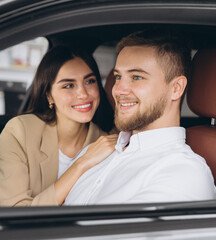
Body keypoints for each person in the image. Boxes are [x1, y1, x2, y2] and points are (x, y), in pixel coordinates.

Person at [64, 30, 216, 205]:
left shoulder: (183, 173)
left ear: (176, 88)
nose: (118, 89)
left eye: (136, 77)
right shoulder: (95, 151)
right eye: (118, 76)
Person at [0, 45, 118, 206]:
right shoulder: (20, 132)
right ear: (49, 95)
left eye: (89, 81)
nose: (83, 94)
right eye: (68, 85)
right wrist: (81, 164)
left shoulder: (108, 145)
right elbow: (15, 212)